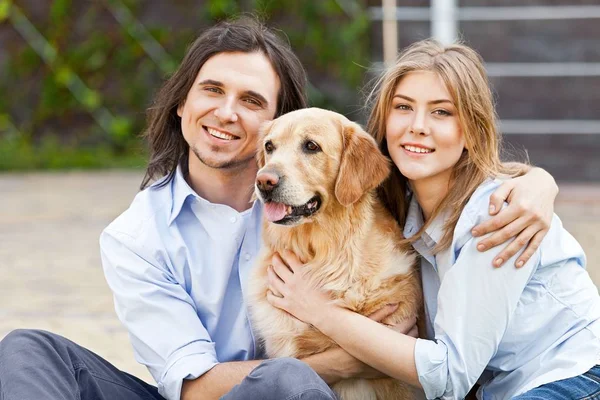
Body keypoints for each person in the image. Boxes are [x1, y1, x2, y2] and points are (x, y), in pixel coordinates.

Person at [0, 19, 559, 400]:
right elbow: (193, 389)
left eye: (251, 101)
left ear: (281, 118)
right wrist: (343, 360)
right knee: (28, 350)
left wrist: (537, 183)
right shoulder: (135, 236)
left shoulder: (329, 195)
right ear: (180, 103)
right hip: (226, 394)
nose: (225, 113)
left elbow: (439, 168)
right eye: (210, 90)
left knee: (286, 385)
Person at [266, 39, 600, 400]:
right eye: (404, 107)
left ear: (471, 130)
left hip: (575, 380)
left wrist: (322, 313)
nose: (418, 126)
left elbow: (451, 374)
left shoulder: (497, 213)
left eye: (441, 112)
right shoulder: (399, 209)